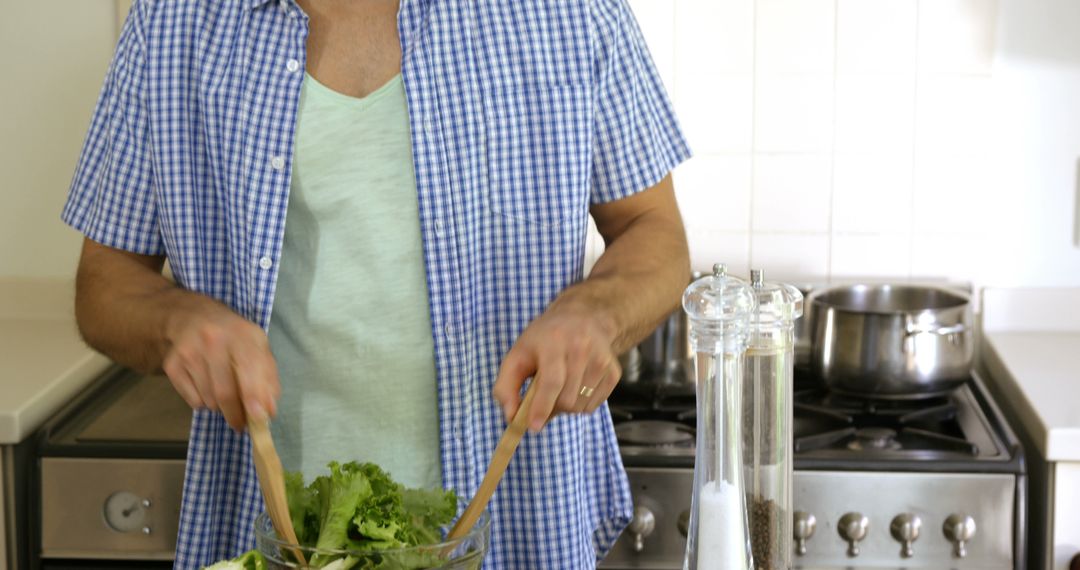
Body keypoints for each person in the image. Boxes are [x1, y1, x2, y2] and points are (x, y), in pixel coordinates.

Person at [63, 0, 690, 567]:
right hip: (273, 537)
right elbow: (106, 284)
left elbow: (652, 232)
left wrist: (597, 313)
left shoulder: (571, 12)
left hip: (521, 522)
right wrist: (177, 323)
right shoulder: (173, 23)